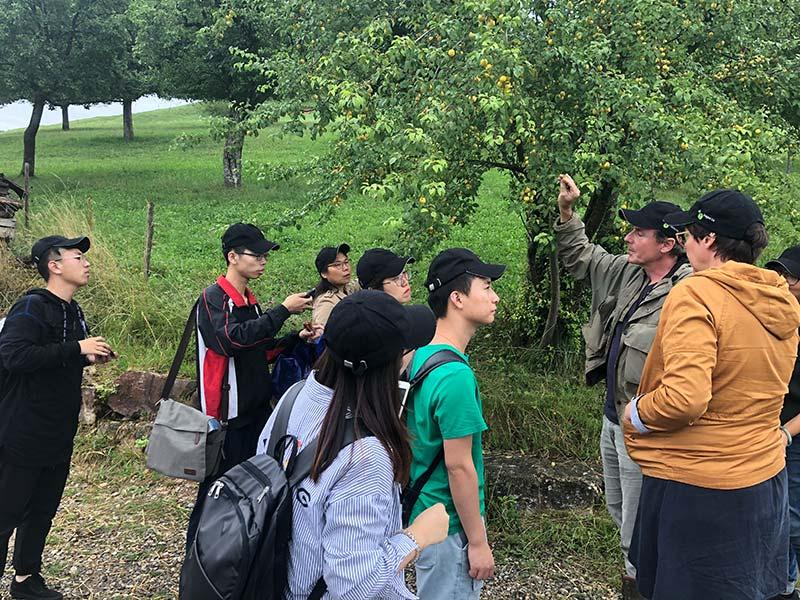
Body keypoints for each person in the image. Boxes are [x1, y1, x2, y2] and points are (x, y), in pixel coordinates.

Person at [624, 190, 800, 599]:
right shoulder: (779, 300)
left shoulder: (697, 292)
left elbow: (685, 397)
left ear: (708, 240)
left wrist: (637, 411)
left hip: (698, 485)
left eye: (688, 234)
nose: (684, 243)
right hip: (763, 477)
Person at [256, 290, 449, 599]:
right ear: (393, 363)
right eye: (409, 348)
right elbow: (354, 585)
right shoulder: (365, 456)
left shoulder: (294, 397)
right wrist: (417, 536)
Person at [553, 174, 690, 599]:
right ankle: (640, 574)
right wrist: (567, 212)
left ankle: (641, 586)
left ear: (667, 244)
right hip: (614, 419)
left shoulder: (687, 292)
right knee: (619, 508)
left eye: (639, 232)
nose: (628, 238)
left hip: (648, 428)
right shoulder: (630, 274)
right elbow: (582, 257)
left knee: (639, 521)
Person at [185, 223, 320, 549]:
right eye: (256, 255)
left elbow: (259, 349)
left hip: (257, 412)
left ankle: (236, 554)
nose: (263, 261)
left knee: (251, 488)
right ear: (232, 256)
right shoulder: (213, 299)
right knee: (216, 491)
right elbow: (231, 341)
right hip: (227, 419)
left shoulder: (248, 300)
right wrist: (283, 310)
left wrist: (293, 339)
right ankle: (198, 558)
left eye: (265, 255)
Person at [0, 235, 115, 600]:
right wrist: (76, 348)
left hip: (58, 430)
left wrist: (85, 356)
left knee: (43, 510)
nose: (86, 263)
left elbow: (56, 356)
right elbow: (14, 357)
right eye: (77, 257)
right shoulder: (31, 307)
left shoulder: (73, 310)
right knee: (5, 514)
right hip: (21, 430)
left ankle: (26, 582)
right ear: (54, 265)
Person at [405, 248, 504, 599]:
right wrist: (478, 543)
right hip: (449, 526)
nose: (495, 297)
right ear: (457, 298)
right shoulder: (455, 377)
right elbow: (459, 466)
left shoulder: (420, 355)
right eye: (487, 286)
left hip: (422, 513)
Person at [766, 245, 800, 600]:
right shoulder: (774, 318)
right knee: (771, 514)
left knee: (791, 521)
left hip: (790, 436)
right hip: (767, 431)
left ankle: (785, 588)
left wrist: (786, 434)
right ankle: (781, 585)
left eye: (791, 276)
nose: (783, 282)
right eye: (780, 274)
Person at [312, 243, 357, 327]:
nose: (345, 268)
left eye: (346, 262)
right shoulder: (327, 303)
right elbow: (320, 336)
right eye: (337, 265)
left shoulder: (348, 288)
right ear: (324, 273)